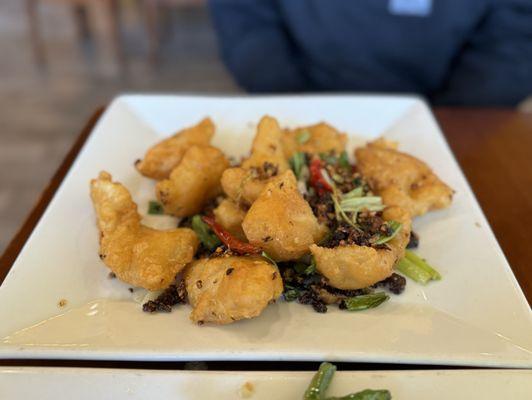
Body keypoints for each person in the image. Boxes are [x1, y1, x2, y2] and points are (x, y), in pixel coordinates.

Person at [208, 0, 532, 106]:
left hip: (450, 111)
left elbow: (516, 38)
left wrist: (447, 126)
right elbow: (245, 19)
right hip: (297, 97)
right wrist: (293, 104)